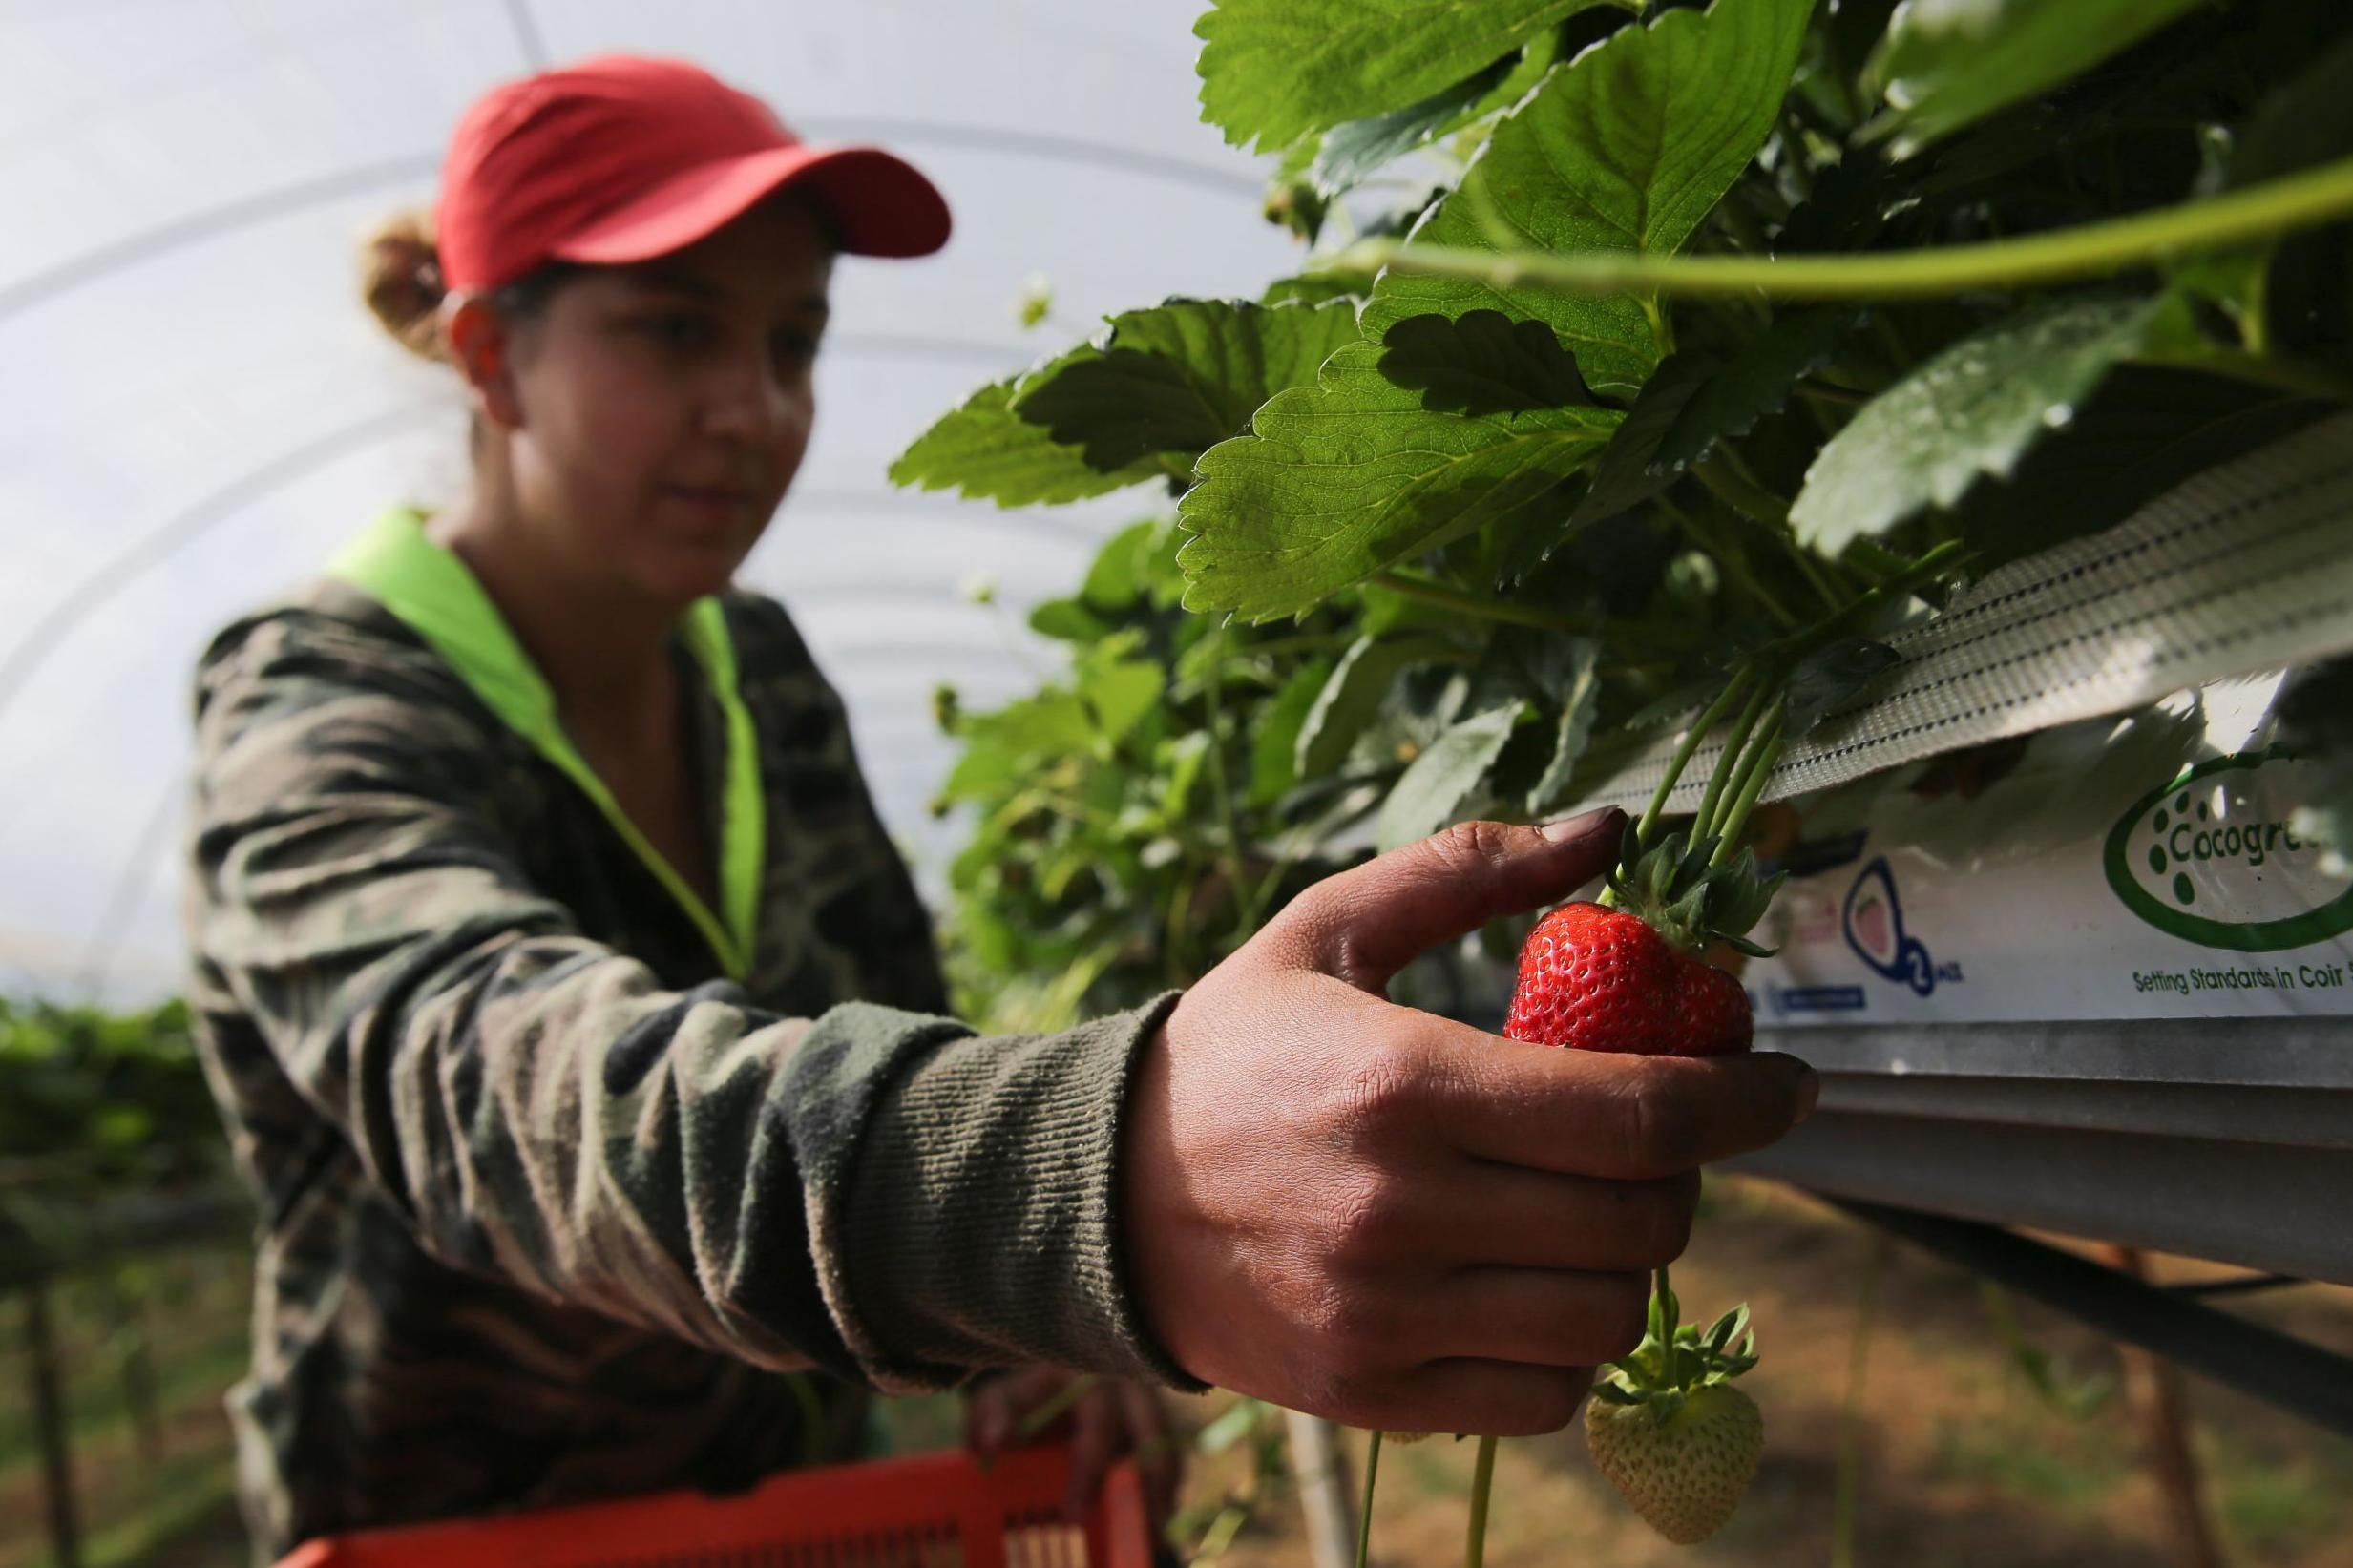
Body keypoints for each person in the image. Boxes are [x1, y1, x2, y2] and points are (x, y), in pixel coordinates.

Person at [181, 52, 1818, 1563]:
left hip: (800, 1506)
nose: (753, 410)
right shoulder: (318, 707)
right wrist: (1077, 1189)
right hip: (449, 1532)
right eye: (672, 330)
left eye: (793, 341)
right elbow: (497, 1081)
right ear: (490, 357)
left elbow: (883, 995)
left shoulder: (754, 671)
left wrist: (1015, 1325)